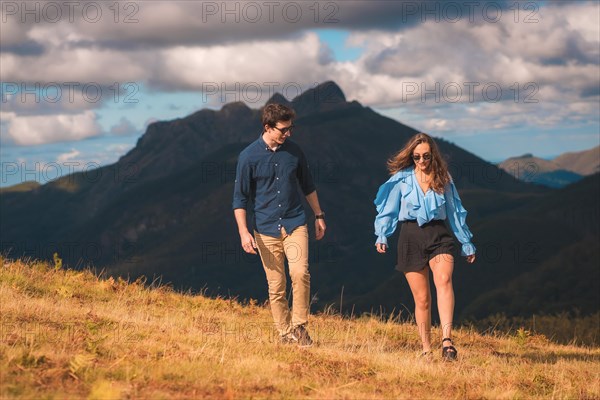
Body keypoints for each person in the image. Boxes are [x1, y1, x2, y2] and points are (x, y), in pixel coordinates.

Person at [373, 133, 476, 361]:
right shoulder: (401, 179)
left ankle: (447, 342)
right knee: (422, 299)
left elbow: (455, 211)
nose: (421, 161)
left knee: (444, 280)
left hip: (439, 235)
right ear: (411, 156)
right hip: (410, 237)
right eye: (417, 156)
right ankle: (426, 349)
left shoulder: (443, 177)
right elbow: (388, 210)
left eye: (426, 156)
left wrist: (466, 241)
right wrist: (382, 234)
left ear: (433, 155)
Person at [233, 103, 326, 347]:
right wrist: (244, 233)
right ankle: (285, 334)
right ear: (268, 127)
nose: (288, 134)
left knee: (300, 273)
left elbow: (308, 185)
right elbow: (239, 199)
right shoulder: (248, 157)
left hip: (295, 223)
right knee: (276, 286)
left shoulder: (295, 152)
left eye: (290, 128)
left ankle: (299, 326)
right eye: (283, 130)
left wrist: (318, 215)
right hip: (264, 229)